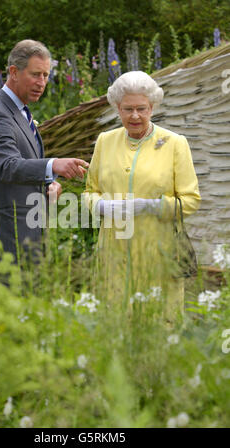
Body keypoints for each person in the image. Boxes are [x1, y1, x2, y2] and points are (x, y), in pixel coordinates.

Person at [84, 71, 201, 322]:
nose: (135, 116)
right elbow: (89, 192)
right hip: (113, 253)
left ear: (152, 107)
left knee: (157, 327)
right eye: (127, 109)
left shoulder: (174, 143)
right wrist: (102, 206)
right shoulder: (105, 141)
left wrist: (150, 206)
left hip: (158, 254)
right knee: (115, 325)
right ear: (117, 108)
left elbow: (190, 201)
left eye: (141, 108)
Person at [0, 39, 89, 262]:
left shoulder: (21, 112)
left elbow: (23, 168)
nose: (42, 82)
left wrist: (47, 183)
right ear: (14, 72)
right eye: (36, 74)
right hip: (5, 237)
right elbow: (7, 166)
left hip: (28, 233)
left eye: (46, 75)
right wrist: (53, 164)